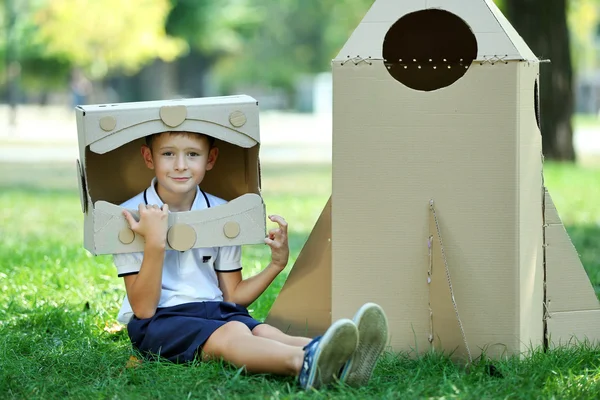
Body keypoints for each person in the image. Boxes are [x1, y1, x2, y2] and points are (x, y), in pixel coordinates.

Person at [112, 130, 389, 390]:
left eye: (193, 154)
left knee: (265, 332)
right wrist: (155, 242)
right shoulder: (128, 217)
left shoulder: (223, 214)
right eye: (168, 154)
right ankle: (303, 364)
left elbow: (233, 297)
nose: (181, 165)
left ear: (211, 159)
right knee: (234, 330)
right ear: (149, 157)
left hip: (215, 310)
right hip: (160, 322)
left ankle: (342, 359)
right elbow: (144, 309)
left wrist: (276, 265)